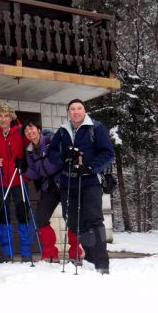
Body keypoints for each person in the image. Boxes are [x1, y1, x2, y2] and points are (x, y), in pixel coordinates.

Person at [48, 99, 114, 274]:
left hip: (90, 182)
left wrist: (91, 167)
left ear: (84, 111)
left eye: (79, 108)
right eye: (72, 109)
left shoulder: (96, 128)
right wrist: (63, 157)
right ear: (68, 112)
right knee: (72, 219)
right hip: (68, 182)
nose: (76, 112)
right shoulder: (62, 131)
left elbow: (108, 152)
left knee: (94, 219)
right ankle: (91, 253)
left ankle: (101, 261)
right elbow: (51, 153)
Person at [23, 119, 79, 263]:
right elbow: (35, 173)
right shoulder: (29, 152)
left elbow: (65, 157)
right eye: (26, 131)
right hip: (48, 187)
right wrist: (24, 170)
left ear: (39, 129)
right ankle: (50, 254)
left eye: (32, 128)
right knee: (41, 218)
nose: (30, 132)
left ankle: (75, 253)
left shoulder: (51, 141)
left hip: (64, 182)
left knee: (71, 217)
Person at [0, 101, 30, 262]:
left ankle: (26, 252)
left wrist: (24, 161)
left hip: (18, 178)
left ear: (12, 117)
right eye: (0, 116)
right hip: (0, 180)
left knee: (23, 214)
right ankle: (7, 252)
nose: (3, 119)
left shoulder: (19, 131)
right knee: (4, 215)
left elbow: (30, 145)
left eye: (6, 116)